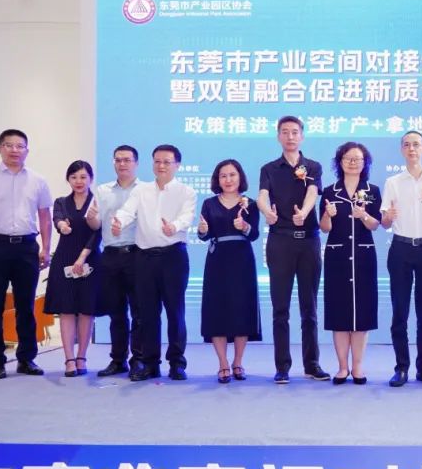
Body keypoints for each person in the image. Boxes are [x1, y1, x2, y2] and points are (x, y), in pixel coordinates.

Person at [0, 129, 52, 380]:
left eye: (19, 146)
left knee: (26, 305)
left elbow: (45, 216)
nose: (14, 150)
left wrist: (46, 248)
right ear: (0, 149)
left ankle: (26, 358)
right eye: (9, 145)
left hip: (26, 247)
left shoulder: (37, 180)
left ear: (27, 150)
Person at [112, 144, 196, 382]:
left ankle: (177, 363)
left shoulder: (186, 191)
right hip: (145, 258)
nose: (161, 166)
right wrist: (119, 222)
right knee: (147, 313)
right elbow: (128, 211)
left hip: (173, 257)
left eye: (167, 162)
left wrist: (174, 227)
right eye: (157, 161)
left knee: (175, 312)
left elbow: (187, 216)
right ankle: (150, 364)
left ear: (177, 165)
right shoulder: (141, 190)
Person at [258, 116, 330, 384]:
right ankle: (282, 366)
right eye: (285, 132)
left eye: (295, 132)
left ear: (302, 136)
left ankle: (312, 364)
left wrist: (305, 212)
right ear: (278, 136)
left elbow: (312, 192)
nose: (290, 137)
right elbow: (262, 196)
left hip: (309, 241)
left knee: (309, 307)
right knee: (281, 308)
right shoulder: (269, 168)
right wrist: (267, 212)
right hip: (280, 241)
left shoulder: (312, 166)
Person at [380, 130, 422, 387]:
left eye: (416, 144)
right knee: (400, 311)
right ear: (401, 150)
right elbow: (385, 222)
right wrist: (388, 217)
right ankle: (401, 367)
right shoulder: (393, 182)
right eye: (407, 145)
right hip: (400, 249)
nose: (412, 149)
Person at [319, 142, 383, 385]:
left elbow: (376, 224)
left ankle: (357, 366)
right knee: (339, 312)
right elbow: (324, 228)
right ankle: (342, 367)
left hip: (364, 257)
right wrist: (328, 215)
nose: (353, 162)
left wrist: (363, 215)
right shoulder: (329, 191)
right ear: (340, 162)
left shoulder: (372, 191)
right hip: (337, 258)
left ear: (365, 163)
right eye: (348, 158)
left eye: (358, 159)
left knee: (361, 313)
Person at [197, 159, 262, 383]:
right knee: (217, 310)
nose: (228, 179)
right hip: (217, 261)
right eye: (223, 175)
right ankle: (223, 363)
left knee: (242, 309)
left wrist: (244, 226)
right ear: (217, 179)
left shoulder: (250, 203)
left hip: (242, 260)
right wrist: (202, 230)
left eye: (232, 175)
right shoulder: (209, 203)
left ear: (240, 177)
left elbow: (254, 235)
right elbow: (204, 235)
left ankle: (238, 362)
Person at [88, 145, 143, 377]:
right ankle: (118, 360)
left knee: (139, 311)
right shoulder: (102, 191)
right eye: (118, 160)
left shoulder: (145, 191)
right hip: (110, 255)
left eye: (127, 160)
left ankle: (138, 359)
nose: (122, 164)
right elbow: (95, 224)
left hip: (137, 254)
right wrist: (91, 218)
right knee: (116, 312)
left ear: (136, 163)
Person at [43, 160, 102, 376]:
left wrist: (83, 257)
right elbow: (57, 219)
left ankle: (81, 357)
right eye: (74, 177)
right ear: (68, 179)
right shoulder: (61, 202)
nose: (79, 181)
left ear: (91, 179)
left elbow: (98, 232)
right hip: (64, 259)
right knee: (66, 309)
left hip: (90, 258)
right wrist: (62, 226)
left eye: (83, 177)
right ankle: (69, 359)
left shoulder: (97, 202)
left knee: (86, 310)